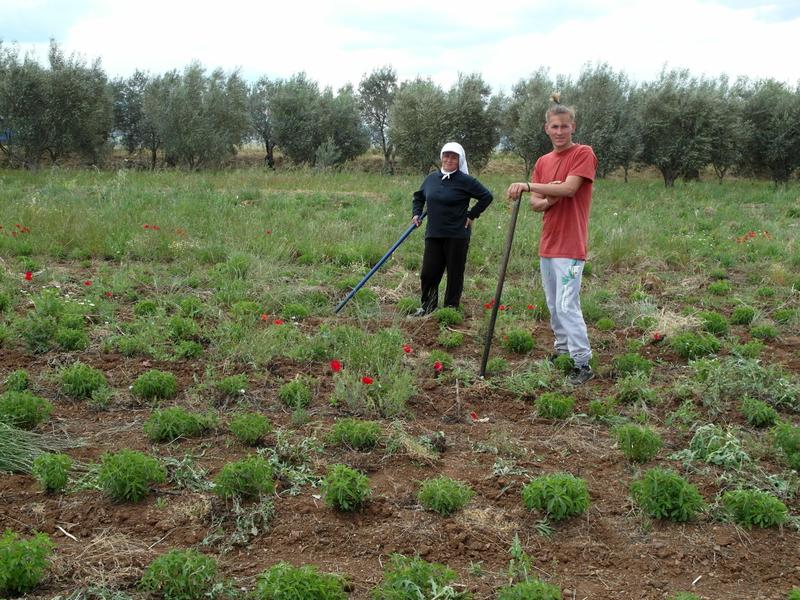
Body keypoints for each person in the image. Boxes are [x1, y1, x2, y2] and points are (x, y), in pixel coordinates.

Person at [506, 94, 597, 385]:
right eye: (554, 127)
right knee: (553, 303)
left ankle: (582, 362)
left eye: (564, 126)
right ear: (546, 128)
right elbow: (536, 204)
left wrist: (534, 187)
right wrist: (548, 198)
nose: (559, 132)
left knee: (568, 304)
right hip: (548, 245)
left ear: (573, 127)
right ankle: (561, 350)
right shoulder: (543, 161)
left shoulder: (583, 153)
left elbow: (570, 189)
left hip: (571, 248)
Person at [411, 142, 493, 315]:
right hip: (434, 233)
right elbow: (419, 197)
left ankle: (450, 309)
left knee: (454, 274)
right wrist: (416, 213)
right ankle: (428, 307)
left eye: (454, 157)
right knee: (428, 273)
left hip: (457, 235)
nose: (449, 160)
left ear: (459, 160)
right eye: (446, 156)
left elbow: (486, 196)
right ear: (441, 157)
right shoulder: (431, 178)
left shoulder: (466, 181)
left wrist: (472, 215)